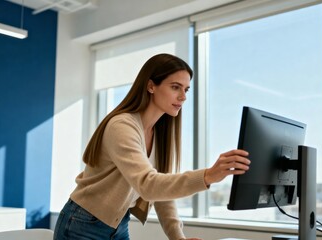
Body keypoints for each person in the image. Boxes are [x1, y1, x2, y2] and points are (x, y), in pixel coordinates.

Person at [53, 53, 250, 240]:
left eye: (186, 89)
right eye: (175, 87)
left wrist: (176, 236)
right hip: (82, 223)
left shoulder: (159, 134)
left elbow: (162, 193)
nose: (183, 97)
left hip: (118, 224)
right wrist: (207, 176)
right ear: (151, 86)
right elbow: (148, 185)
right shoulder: (122, 126)